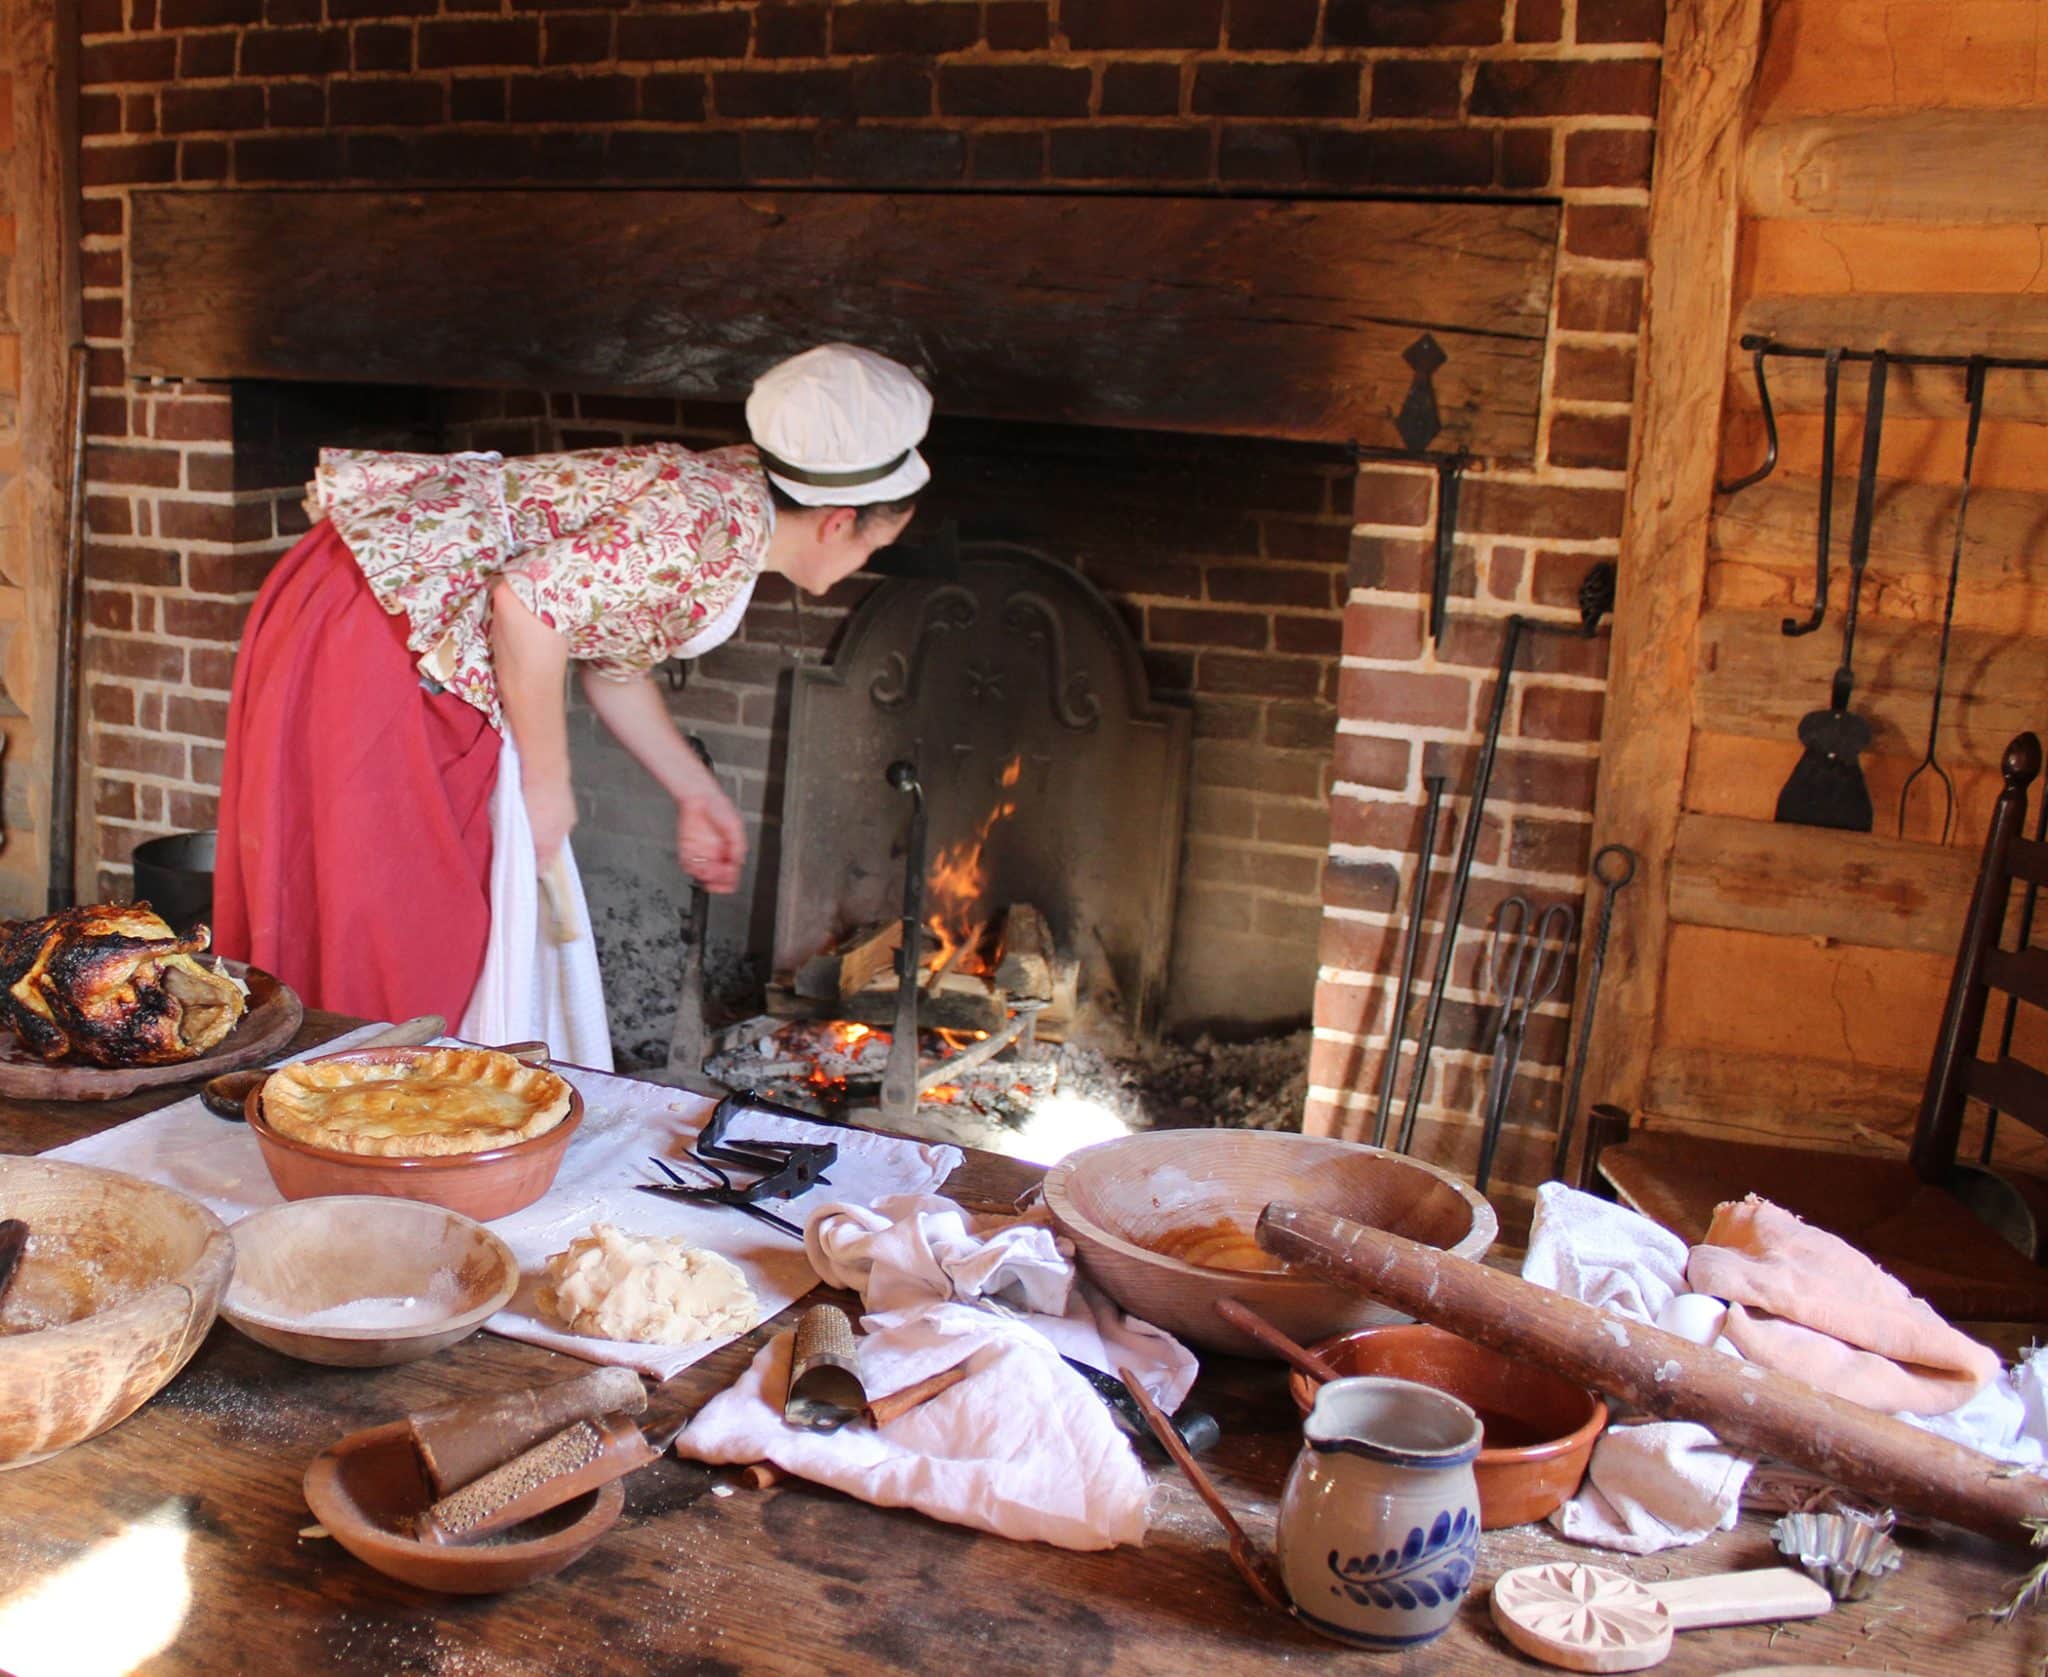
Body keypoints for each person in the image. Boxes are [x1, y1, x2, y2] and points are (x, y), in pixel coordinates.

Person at [213, 344, 931, 1062]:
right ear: (839, 521)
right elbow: (526, 608)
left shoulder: (733, 494)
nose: (858, 567)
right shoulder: (714, 531)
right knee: (401, 927)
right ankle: (352, 1093)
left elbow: (611, 665)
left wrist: (694, 791)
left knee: (383, 911)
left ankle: (341, 1085)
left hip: (374, 602)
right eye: (874, 548)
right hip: (381, 626)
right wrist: (547, 781)